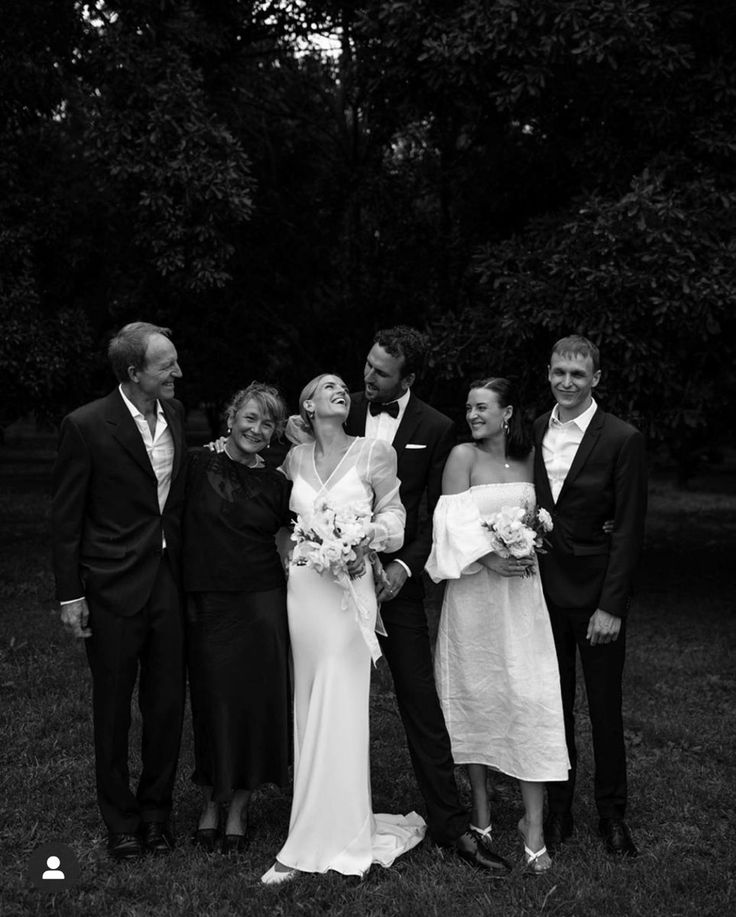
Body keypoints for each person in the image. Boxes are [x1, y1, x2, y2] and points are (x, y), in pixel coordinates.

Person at [345, 326, 509, 873]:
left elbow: (430, 513)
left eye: (381, 372)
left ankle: (451, 826)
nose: (368, 378)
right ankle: (328, 813)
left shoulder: (435, 429)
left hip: (397, 587)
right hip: (334, 586)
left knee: (419, 700)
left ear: (408, 379)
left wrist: (401, 566)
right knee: (331, 698)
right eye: (367, 365)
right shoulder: (339, 411)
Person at [261, 373, 426, 884]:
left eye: (342, 387)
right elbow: (279, 524)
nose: (340, 390)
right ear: (308, 404)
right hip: (305, 593)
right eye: (326, 386)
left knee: (343, 703)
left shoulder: (375, 451)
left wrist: (364, 539)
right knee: (308, 704)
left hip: (349, 592)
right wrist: (291, 557)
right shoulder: (292, 460)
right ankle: (309, 823)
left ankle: (340, 832)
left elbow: (396, 516)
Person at [52, 322, 187, 860]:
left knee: (167, 705)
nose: (177, 372)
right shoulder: (85, 426)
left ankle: (156, 814)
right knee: (112, 708)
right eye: (166, 365)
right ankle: (120, 820)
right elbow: (65, 519)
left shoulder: (175, 414)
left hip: (168, 584)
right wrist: (70, 596)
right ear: (134, 373)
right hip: (109, 587)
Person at [426, 378, 570, 874]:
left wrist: (530, 542)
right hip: (474, 598)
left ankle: (533, 823)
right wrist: (490, 559)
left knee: (530, 699)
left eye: (482, 407)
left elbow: (548, 515)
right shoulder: (462, 457)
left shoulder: (531, 461)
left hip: (522, 600)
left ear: (508, 412)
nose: (472, 415)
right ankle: (481, 812)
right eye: (468, 407)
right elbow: (448, 525)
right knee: (477, 694)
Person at [534, 334, 647, 857]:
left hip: (596, 595)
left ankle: (611, 814)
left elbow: (627, 529)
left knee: (604, 708)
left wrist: (611, 606)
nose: (567, 383)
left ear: (596, 379)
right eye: (559, 372)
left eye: (578, 375)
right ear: (550, 372)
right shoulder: (535, 430)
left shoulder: (622, 438)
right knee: (552, 707)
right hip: (542, 594)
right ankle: (559, 811)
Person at [183, 383, 292, 854]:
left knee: (255, 704)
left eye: (267, 423)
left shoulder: (278, 483)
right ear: (230, 417)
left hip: (261, 603)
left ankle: (240, 805)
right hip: (209, 601)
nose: (257, 429)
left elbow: (292, 540)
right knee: (213, 702)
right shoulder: (194, 464)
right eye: (249, 417)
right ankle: (212, 797)